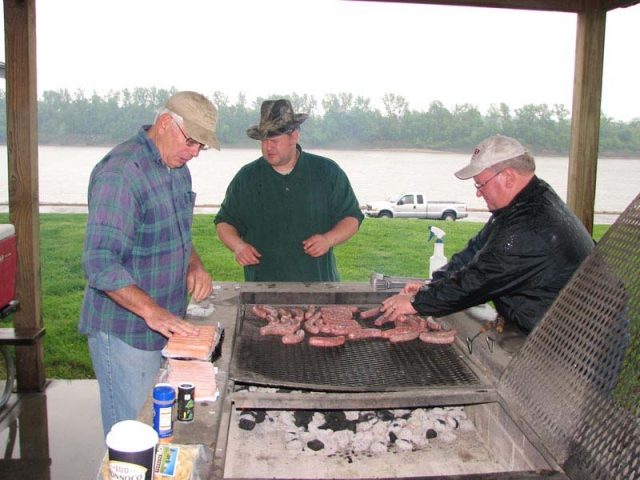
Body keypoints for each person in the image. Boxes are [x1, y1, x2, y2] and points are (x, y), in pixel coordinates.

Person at [79, 91, 219, 437]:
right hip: (127, 330)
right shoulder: (122, 172)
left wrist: (194, 265)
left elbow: (177, 231)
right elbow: (99, 261)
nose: (195, 153)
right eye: (191, 142)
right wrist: (152, 312)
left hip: (165, 322)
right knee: (133, 431)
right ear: (166, 123)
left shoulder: (175, 167)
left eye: (201, 146)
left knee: (162, 426)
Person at [380, 134, 594, 335]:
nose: (478, 192)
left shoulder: (529, 224)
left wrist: (417, 303)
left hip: (575, 343)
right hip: (548, 328)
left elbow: (478, 280)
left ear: (508, 177)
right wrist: (434, 285)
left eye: (481, 184)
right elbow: (475, 251)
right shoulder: (524, 202)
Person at [214, 99, 364, 282]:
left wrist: (327, 240)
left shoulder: (327, 171)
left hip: (320, 285)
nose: (268, 147)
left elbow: (351, 218)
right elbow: (224, 222)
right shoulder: (247, 177)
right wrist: (238, 246)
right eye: (263, 141)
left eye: (274, 140)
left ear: (294, 136)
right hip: (261, 289)